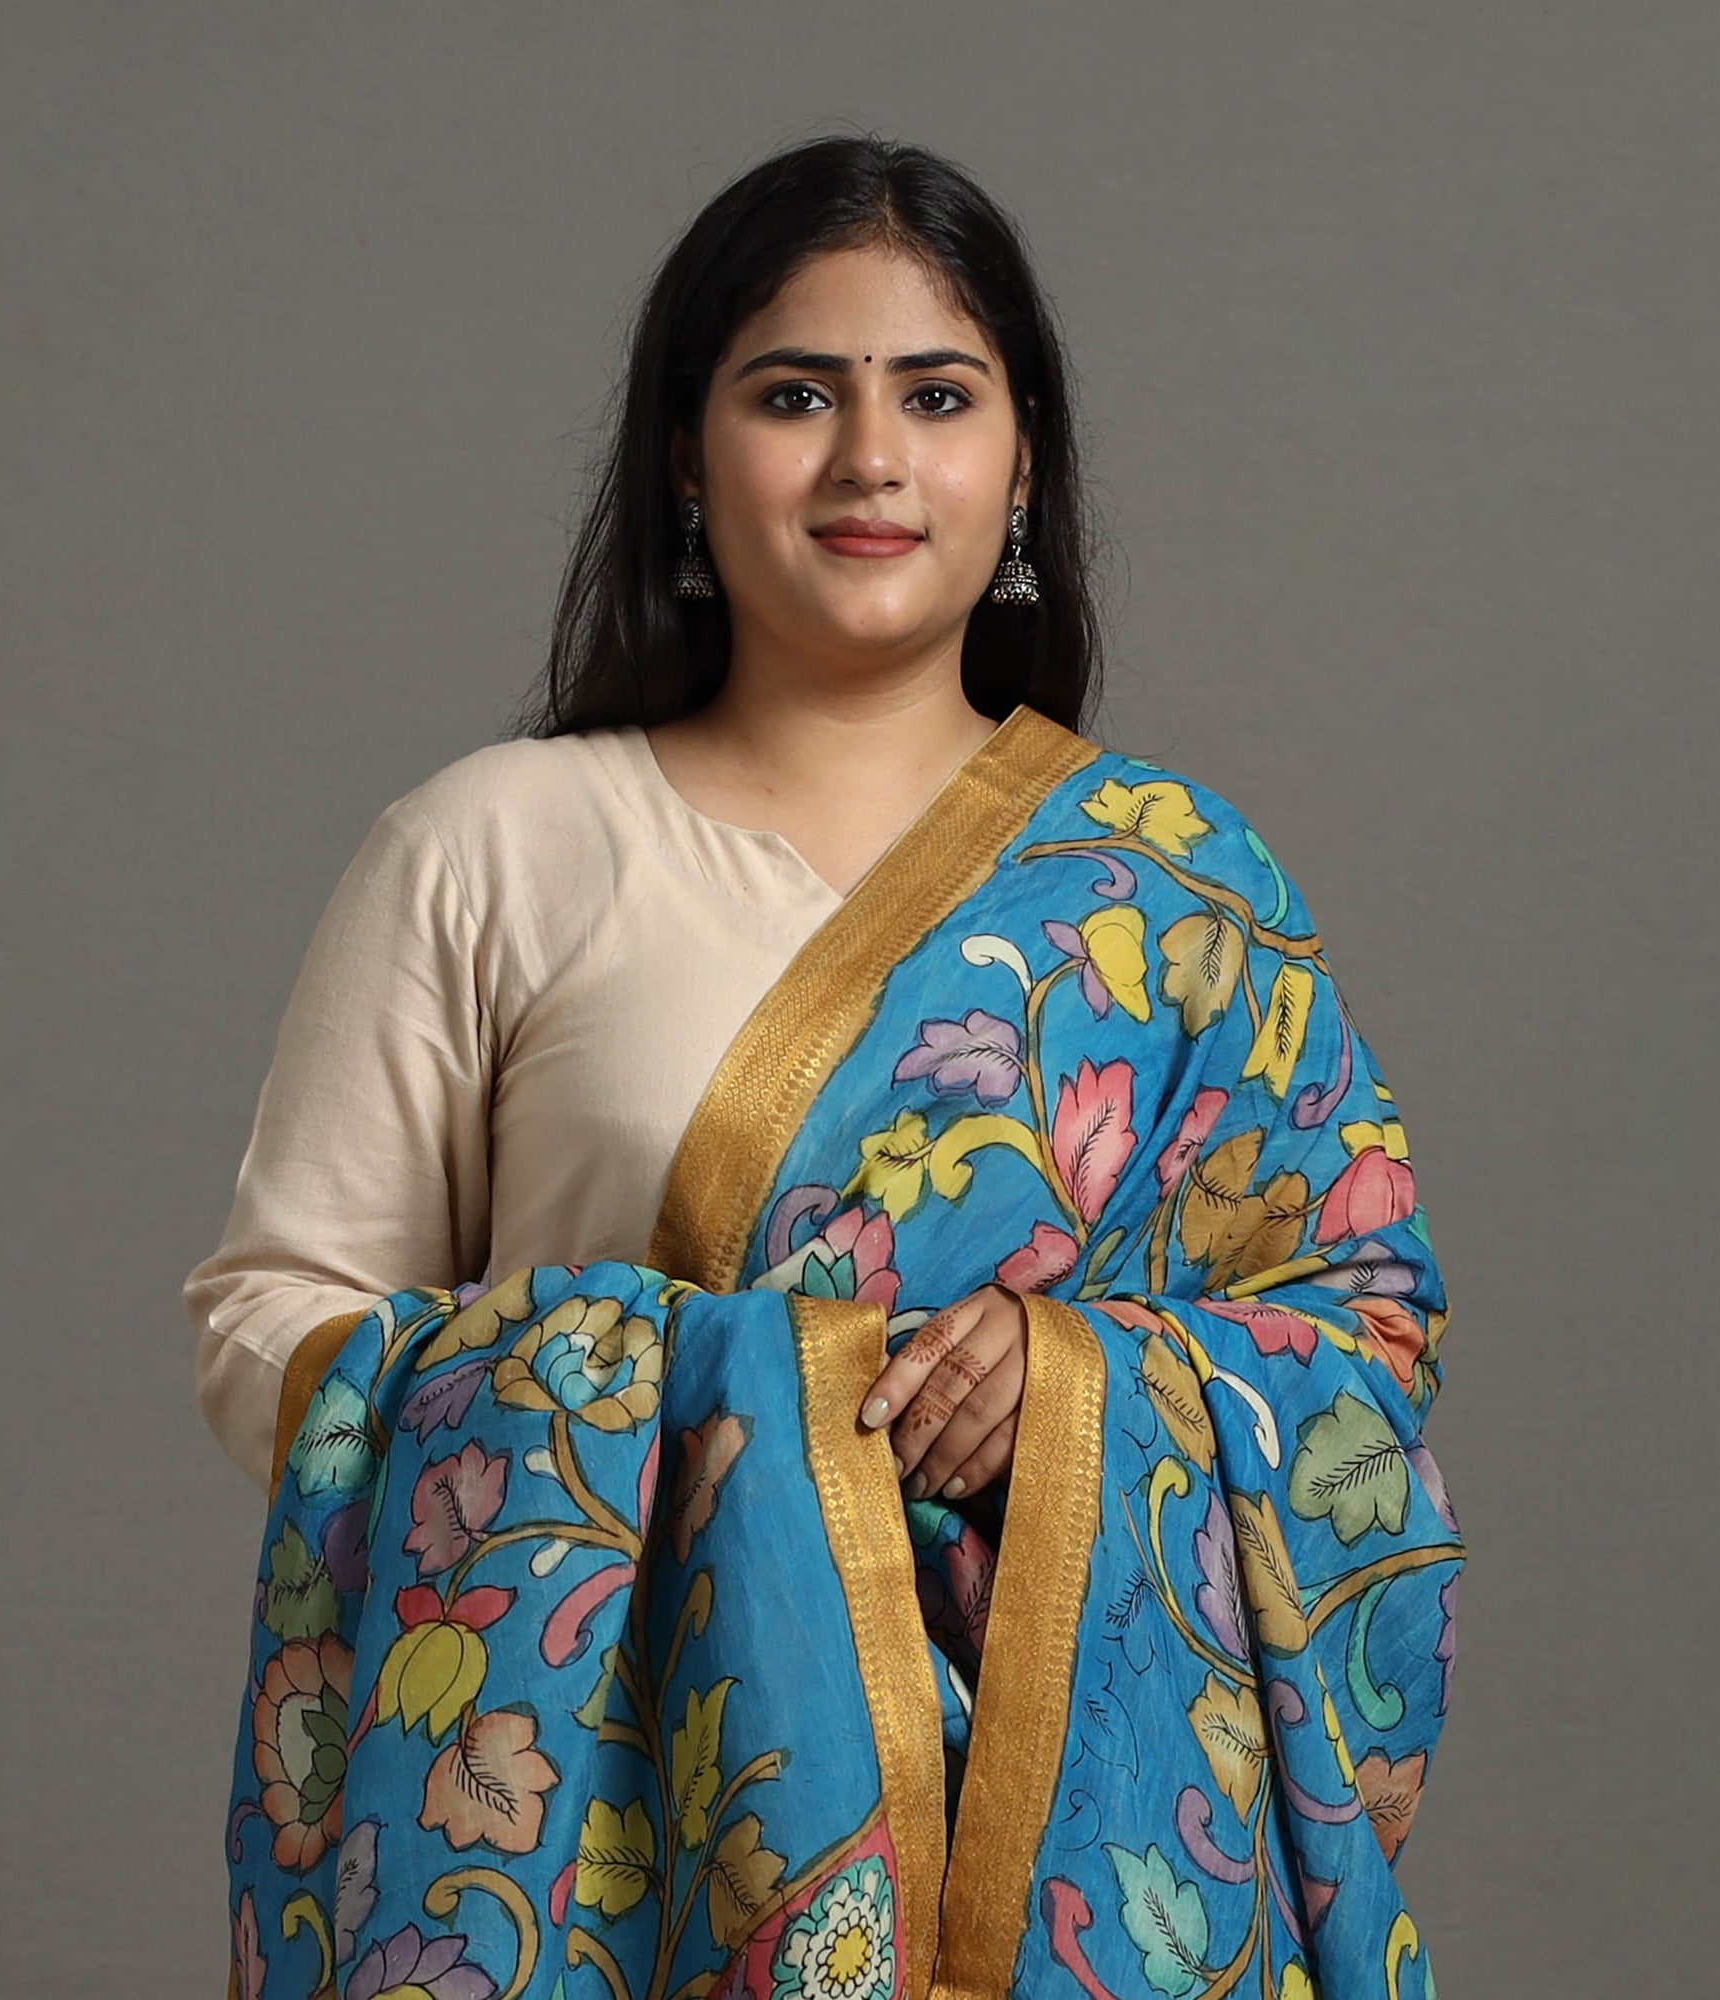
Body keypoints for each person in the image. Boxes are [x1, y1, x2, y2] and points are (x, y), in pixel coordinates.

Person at [193, 134, 1466, 2000]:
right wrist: (676, 1403)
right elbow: (274, 1316)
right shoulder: (495, 846)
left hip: (1078, 1879)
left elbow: (1362, 1330)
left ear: (1019, 463)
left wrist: (1085, 1384)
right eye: (795, 395)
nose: (872, 457)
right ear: (686, 458)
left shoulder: (1178, 893)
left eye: (937, 397)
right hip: (609, 1852)